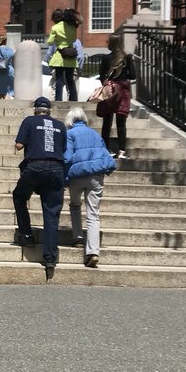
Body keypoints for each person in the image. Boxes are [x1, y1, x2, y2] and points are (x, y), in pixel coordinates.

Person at [12, 96, 67, 281]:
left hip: (34, 167)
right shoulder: (60, 126)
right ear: (49, 110)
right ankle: (50, 258)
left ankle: (26, 234)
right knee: (51, 212)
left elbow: (19, 145)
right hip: (57, 169)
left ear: (35, 109)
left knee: (20, 196)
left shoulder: (29, 121)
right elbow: (64, 150)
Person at [64, 106, 117, 268]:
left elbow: (67, 158)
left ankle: (78, 237)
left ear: (70, 121)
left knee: (75, 205)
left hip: (77, 175)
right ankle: (93, 252)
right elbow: (105, 153)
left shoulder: (69, 134)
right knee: (93, 214)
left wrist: (64, 177)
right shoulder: (95, 134)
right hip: (96, 176)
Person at [98, 34, 137, 159]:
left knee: (107, 122)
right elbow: (133, 75)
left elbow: (101, 75)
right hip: (123, 92)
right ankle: (121, 151)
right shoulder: (127, 58)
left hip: (109, 91)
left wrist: (108, 84)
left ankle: (105, 148)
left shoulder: (106, 58)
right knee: (121, 123)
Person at [46, 7, 80, 101]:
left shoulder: (55, 27)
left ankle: (58, 99)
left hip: (60, 56)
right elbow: (73, 40)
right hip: (71, 55)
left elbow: (49, 42)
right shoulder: (72, 26)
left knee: (59, 79)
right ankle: (74, 99)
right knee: (70, 79)